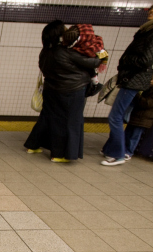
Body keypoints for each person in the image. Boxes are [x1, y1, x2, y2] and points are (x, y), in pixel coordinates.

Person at [24, 20, 101, 162]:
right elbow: (94, 62)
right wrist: (101, 51)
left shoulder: (45, 51)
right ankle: (59, 154)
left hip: (50, 90)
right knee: (69, 122)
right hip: (71, 91)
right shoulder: (67, 52)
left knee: (46, 117)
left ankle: (33, 145)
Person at [101, 6, 153, 166]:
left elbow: (145, 60)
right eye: (150, 10)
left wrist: (126, 61)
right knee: (122, 115)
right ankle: (112, 149)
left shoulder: (150, 33)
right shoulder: (145, 31)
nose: (150, 12)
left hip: (133, 79)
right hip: (132, 78)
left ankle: (118, 154)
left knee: (115, 116)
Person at [62, 24, 108, 90]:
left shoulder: (89, 48)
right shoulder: (81, 32)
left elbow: (95, 60)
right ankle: (94, 81)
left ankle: (94, 80)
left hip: (79, 83)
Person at [124, 81, 153, 159]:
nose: (150, 81)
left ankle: (129, 152)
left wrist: (136, 95)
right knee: (127, 134)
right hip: (136, 116)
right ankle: (124, 149)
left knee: (134, 136)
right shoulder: (147, 88)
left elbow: (146, 104)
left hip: (144, 119)